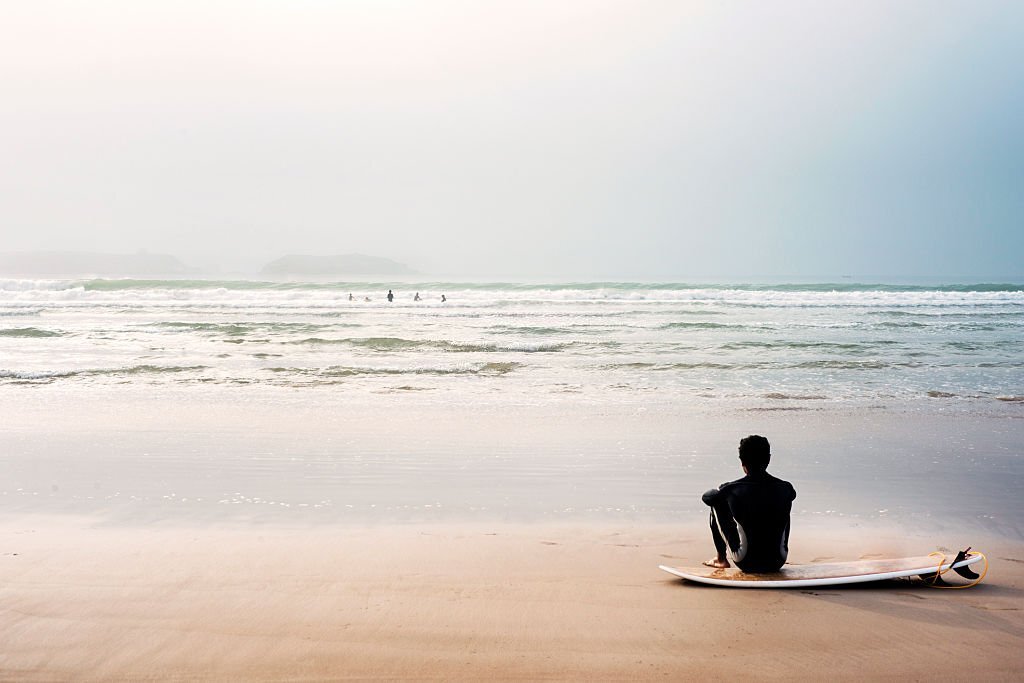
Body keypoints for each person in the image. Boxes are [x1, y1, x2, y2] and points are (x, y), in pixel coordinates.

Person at [701, 435, 796, 573]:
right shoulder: (786, 488)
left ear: (742, 461)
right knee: (782, 503)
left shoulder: (731, 489)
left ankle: (721, 559)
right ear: (769, 459)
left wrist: (721, 492)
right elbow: (791, 495)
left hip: (746, 562)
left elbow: (707, 498)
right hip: (777, 561)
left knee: (716, 503)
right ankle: (775, 548)